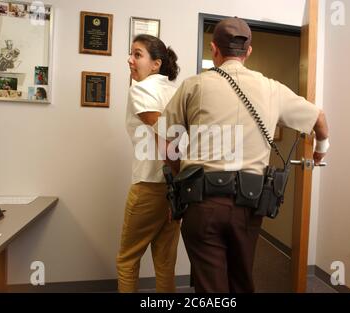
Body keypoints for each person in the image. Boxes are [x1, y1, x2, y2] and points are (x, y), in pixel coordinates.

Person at [154, 17, 330, 293]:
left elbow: (165, 141)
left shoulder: (193, 86)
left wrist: (180, 176)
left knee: (210, 288)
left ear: (214, 50)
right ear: (248, 52)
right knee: (242, 280)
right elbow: (319, 118)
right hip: (248, 206)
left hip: (201, 204)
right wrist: (321, 150)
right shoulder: (272, 89)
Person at [116, 34, 181, 292]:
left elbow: (165, 132)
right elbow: (183, 135)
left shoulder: (141, 89)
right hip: (175, 188)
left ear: (156, 64)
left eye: (137, 54)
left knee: (127, 259)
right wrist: (179, 181)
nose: (130, 60)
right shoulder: (175, 91)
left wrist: (173, 171)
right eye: (131, 54)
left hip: (149, 187)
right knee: (165, 262)